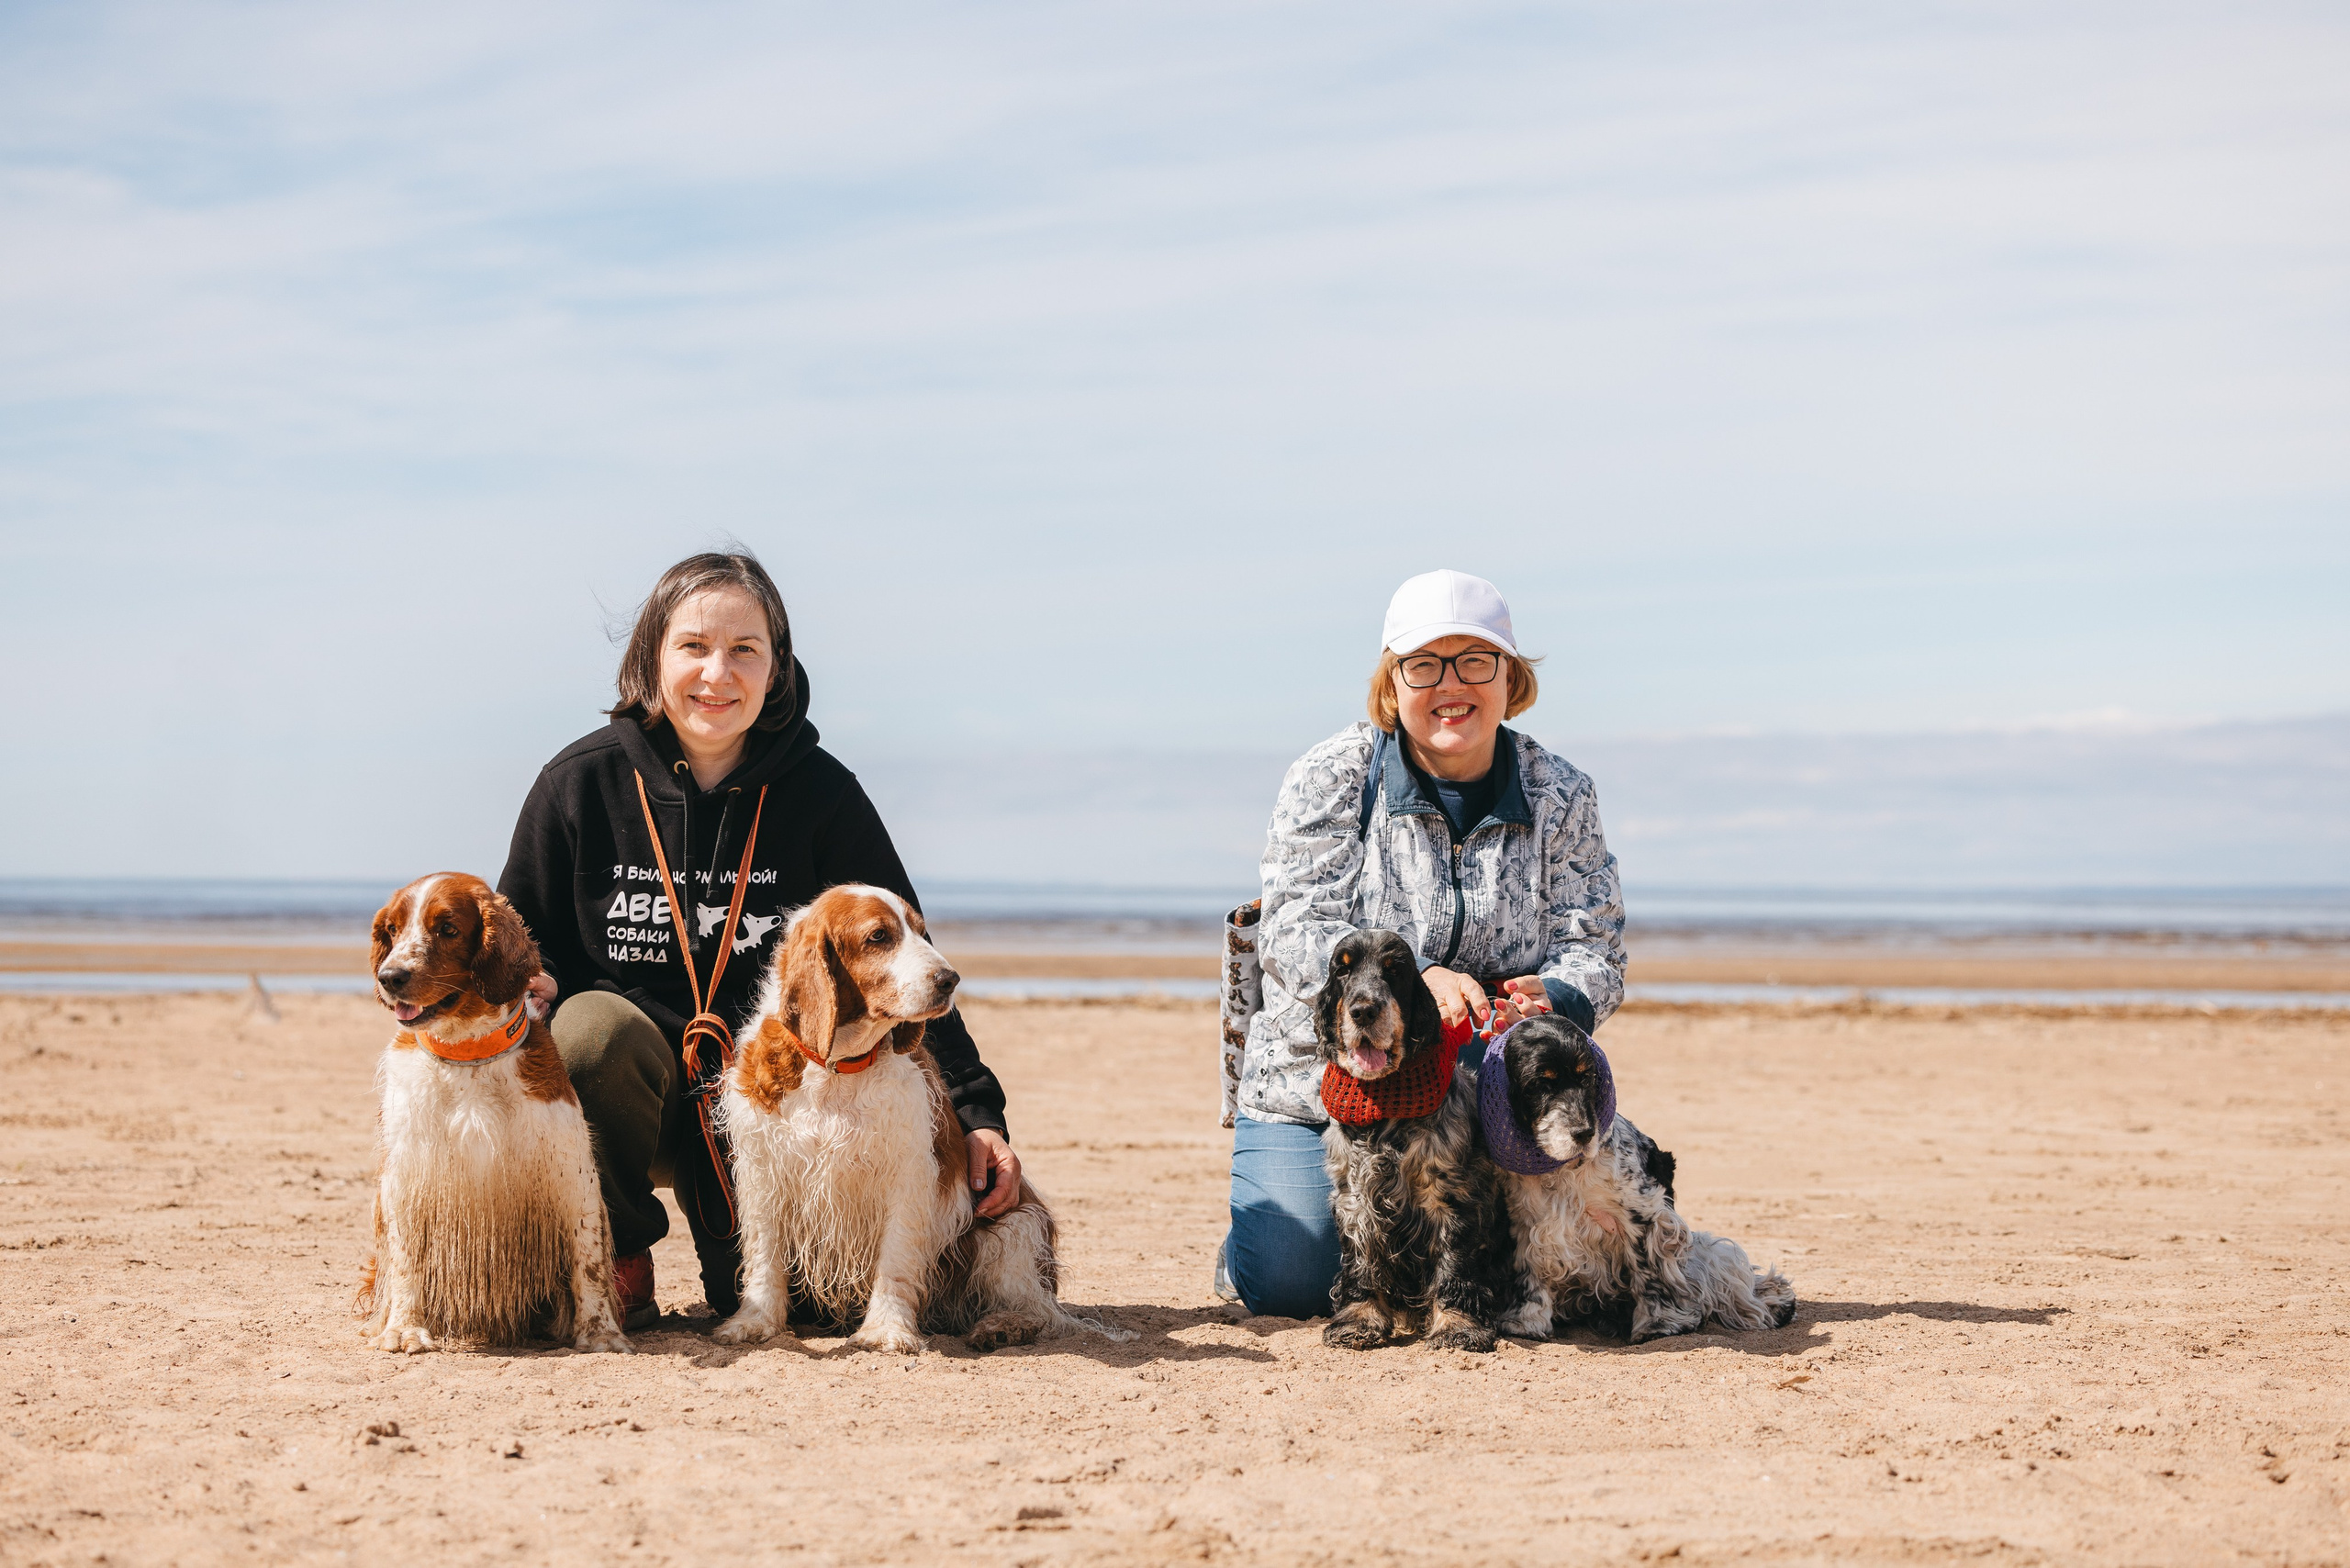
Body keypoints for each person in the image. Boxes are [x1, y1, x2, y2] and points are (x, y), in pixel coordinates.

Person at [498, 550, 1022, 1327]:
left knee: (802, 1308)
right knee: (591, 1030)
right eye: (694, 647)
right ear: (651, 658)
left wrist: (980, 1116)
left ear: (776, 669)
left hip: (771, 1102)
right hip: (628, 1097)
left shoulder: (824, 795)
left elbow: (904, 960)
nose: (719, 672)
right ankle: (617, 1251)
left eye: (746, 649)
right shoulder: (579, 784)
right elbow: (516, 955)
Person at [1222, 568, 1627, 1318]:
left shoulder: (1563, 794)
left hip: (1482, 1087)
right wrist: (1420, 980)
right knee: (1290, 1282)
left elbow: (1596, 945)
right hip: (1323, 1083)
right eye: (1424, 665)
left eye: (1476, 661)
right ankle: (1259, 1225)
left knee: (1541, 1266)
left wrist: (1556, 997)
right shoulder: (1329, 777)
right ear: (1391, 681)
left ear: (1511, 678)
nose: (1452, 685)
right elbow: (1294, 933)